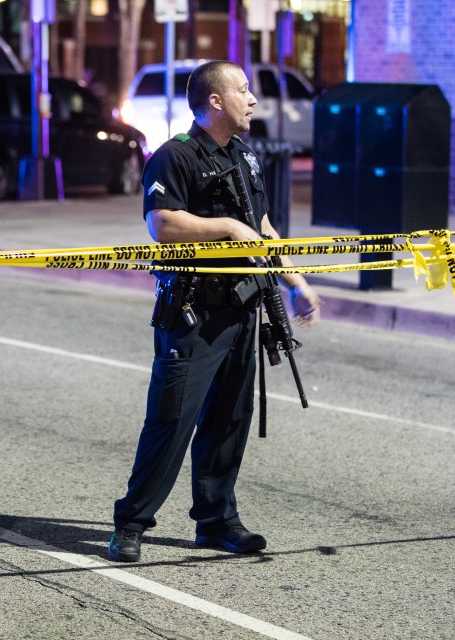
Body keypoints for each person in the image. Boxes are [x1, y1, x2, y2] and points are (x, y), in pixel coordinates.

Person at [108, 60, 321, 563]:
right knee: (171, 420)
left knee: (230, 421)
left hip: (242, 307)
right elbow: (162, 224)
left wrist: (296, 282)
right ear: (216, 101)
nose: (253, 99)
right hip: (192, 312)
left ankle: (217, 521)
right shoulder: (174, 157)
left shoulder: (246, 157)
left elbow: (262, 225)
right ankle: (131, 523)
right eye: (243, 90)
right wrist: (225, 227)